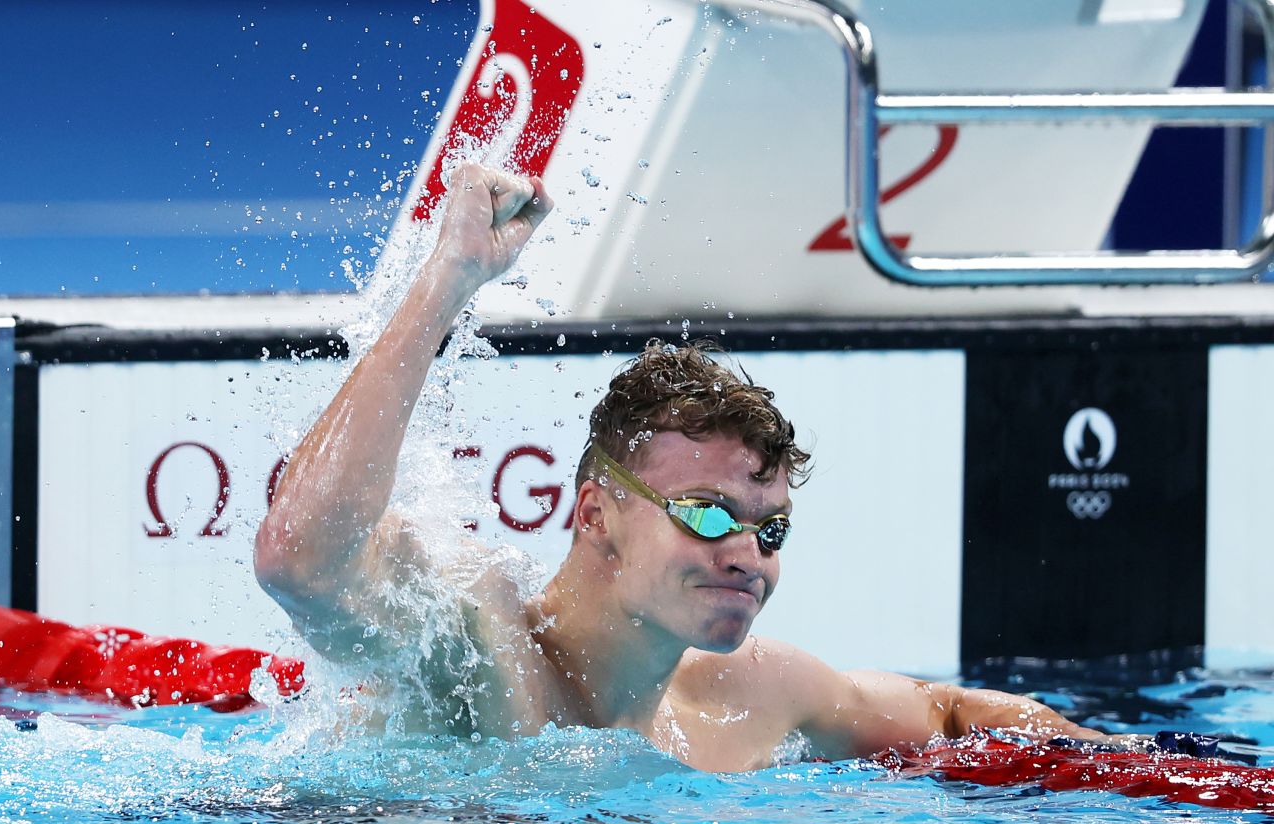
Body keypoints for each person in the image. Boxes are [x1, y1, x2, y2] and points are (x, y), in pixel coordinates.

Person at [254, 163, 1103, 772]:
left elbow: (949, 713)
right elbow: (300, 556)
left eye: (769, 527)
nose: (748, 555)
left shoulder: (750, 697)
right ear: (595, 516)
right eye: (705, 512)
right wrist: (449, 281)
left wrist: (1132, 767)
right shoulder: (479, 645)